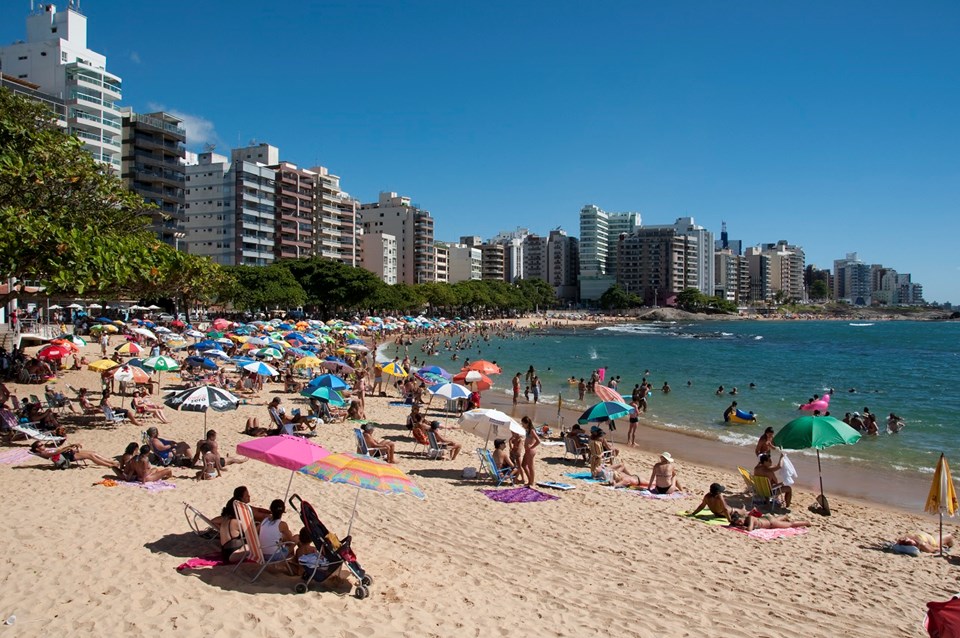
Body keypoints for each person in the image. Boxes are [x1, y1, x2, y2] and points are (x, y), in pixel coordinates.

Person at [30, 440, 119, 469]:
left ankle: (111, 462)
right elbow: (57, 453)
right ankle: (109, 465)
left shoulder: (46, 450)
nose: (43, 445)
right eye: (41, 445)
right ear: (37, 448)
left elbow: (59, 450)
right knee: (90, 456)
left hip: (67, 454)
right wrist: (69, 447)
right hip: (66, 458)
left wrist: (71, 446)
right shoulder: (44, 453)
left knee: (93, 452)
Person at [730, 511, 811, 531]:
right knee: (776, 520)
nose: (740, 523)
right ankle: (784, 516)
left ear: (742, 517)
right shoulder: (747, 520)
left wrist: (740, 527)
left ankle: (807, 522)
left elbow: (749, 529)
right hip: (767, 519)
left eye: (740, 521)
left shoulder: (750, 518)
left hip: (771, 523)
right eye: (738, 523)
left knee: (790, 524)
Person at [521, 415, 540, 487]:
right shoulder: (527, 430)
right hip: (527, 450)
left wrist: (532, 446)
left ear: (527, 423)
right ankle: (530, 480)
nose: (522, 425)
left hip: (530, 451)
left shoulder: (532, 430)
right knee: (523, 465)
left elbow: (538, 441)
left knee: (530, 467)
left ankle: (531, 482)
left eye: (523, 423)